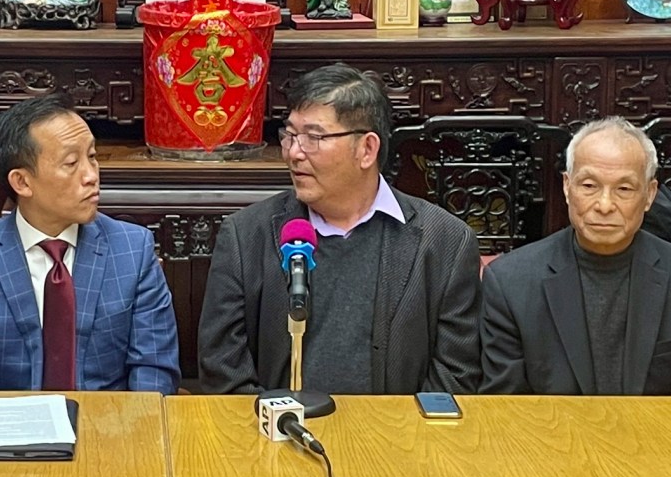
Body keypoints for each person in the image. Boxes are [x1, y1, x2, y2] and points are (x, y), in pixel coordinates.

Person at [198, 64, 482, 395]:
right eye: (290, 135)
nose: (293, 153)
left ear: (367, 149)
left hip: (398, 440)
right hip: (274, 437)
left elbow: (456, 375)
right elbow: (222, 370)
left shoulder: (445, 241)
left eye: (314, 138)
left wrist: (397, 437)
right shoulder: (246, 235)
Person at [0, 94, 178, 392]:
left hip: (113, 428)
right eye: (71, 163)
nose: (91, 176)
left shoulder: (132, 249)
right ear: (22, 182)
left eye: (93, 156)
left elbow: (154, 373)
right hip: (9, 431)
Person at [479, 117, 671, 395]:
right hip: (549, 435)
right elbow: (506, 409)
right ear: (567, 187)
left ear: (649, 195)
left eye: (624, 189)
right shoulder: (510, 282)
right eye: (589, 186)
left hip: (657, 436)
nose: (605, 205)